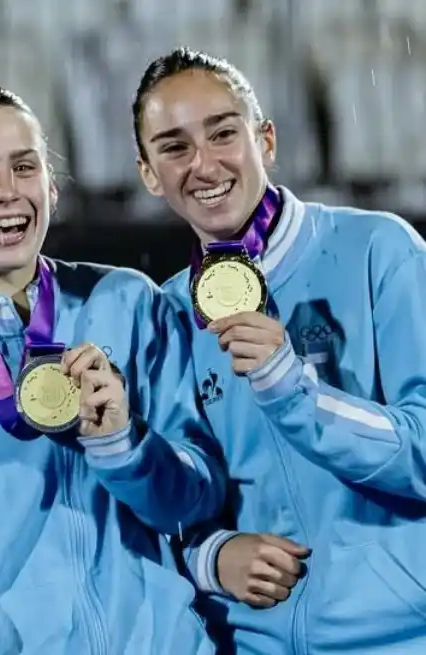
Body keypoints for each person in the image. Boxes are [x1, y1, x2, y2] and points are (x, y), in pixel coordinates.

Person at [0, 83, 220, 654]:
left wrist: (122, 443)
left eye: (23, 167)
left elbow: (194, 499)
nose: (5, 192)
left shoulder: (127, 302)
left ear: (52, 187)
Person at [116, 46, 426, 653]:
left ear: (266, 139)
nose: (204, 165)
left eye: (223, 133)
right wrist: (211, 556)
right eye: (175, 147)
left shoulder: (378, 250)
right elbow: (185, 500)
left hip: (397, 636)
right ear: (149, 173)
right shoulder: (169, 312)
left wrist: (297, 391)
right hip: (252, 642)